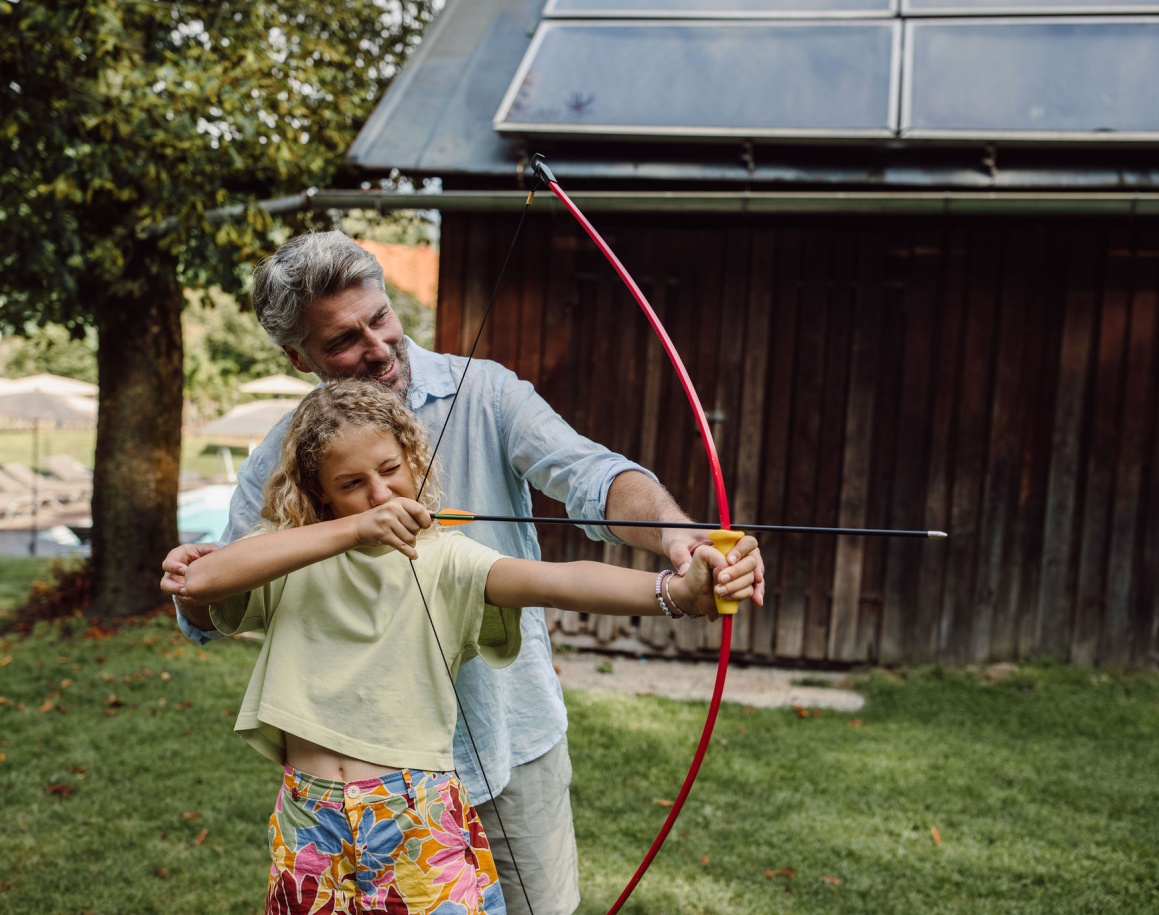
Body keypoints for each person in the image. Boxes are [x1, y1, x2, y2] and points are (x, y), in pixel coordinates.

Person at [161, 230, 765, 915]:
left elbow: (585, 492)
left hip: (507, 739)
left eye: (380, 317)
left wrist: (677, 560)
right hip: (331, 795)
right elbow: (209, 601)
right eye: (345, 340)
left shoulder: (483, 399)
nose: (378, 347)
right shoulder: (288, 458)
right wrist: (212, 572)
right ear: (299, 356)